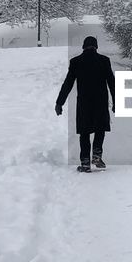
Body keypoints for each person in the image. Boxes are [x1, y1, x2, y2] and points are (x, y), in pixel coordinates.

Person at [55, 35, 116, 172]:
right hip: (100, 101)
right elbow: (112, 83)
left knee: (84, 132)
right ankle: (96, 154)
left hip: (84, 102)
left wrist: (59, 103)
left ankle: (85, 163)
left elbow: (68, 84)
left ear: (83, 46)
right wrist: (116, 102)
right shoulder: (104, 61)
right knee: (100, 129)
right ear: (96, 46)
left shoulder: (76, 62)